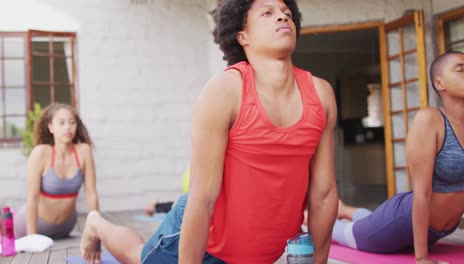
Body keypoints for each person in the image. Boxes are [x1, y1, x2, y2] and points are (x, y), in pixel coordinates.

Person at [80, 0, 338, 263]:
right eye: (267, 13)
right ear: (242, 35)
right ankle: (96, 224)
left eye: (287, 13)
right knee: (137, 257)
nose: (283, 18)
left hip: (260, 252)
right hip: (202, 240)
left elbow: (324, 193)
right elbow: (202, 197)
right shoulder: (225, 91)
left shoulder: (321, 94)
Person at [331, 51, 464, 264]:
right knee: (343, 233)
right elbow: (422, 193)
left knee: (371, 223)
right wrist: (421, 258)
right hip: (402, 220)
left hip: (437, 230)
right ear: (439, 83)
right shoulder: (430, 119)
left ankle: (344, 209)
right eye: (461, 70)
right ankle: (309, 218)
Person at [14, 103, 99, 239]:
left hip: (65, 228)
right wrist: (32, 238)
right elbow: (32, 199)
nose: (68, 127)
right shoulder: (41, 153)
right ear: (50, 127)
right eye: (61, 123)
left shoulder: (84, 151)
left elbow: (91, 193)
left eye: (72, 122)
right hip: (32, 227)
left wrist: (96, 231)